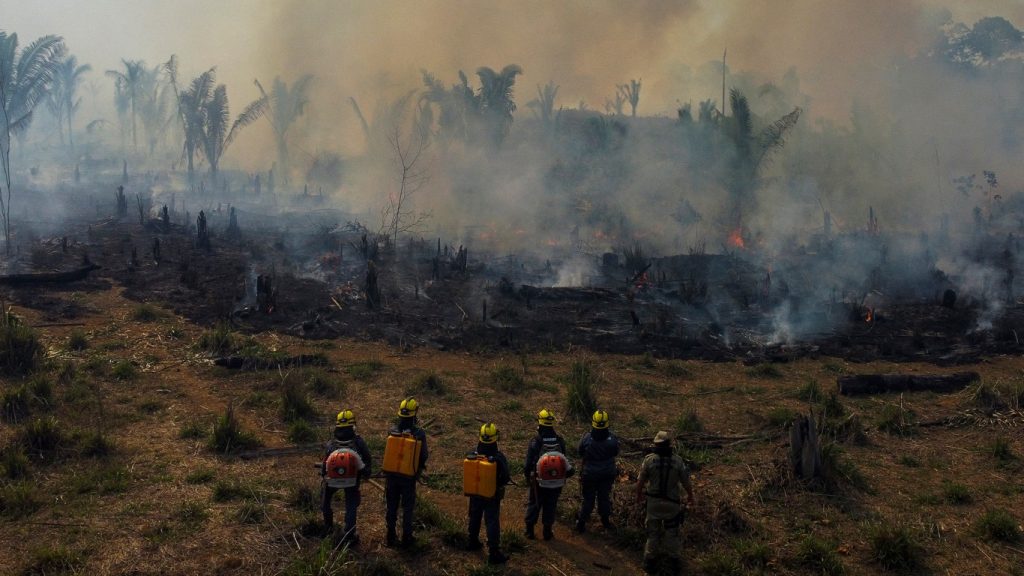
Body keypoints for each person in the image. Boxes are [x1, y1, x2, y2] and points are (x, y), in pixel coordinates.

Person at [636, 431, 696, 574]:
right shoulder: (678, 461)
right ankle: (674, 562)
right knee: (672, 534)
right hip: (672, 505)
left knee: (653, 534)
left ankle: (649, 562)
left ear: (656, 445)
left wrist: (639, 495)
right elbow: (686, 482)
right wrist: (691, 496)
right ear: (669, 445)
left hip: (654, 504)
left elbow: (640, 482)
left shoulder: (649, 460)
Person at [321, 409, 372, 544]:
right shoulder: (358, 442)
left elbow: (325, 464)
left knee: (325, 499)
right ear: (352, 425)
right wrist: (366, 473)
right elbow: (367, 458)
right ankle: (349, 533)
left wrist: (323, 475)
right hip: (351, 480)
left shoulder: (331, 444)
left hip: (332, 480)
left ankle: (328, 526)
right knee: (351, 505)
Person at [384, 397, 429, 548]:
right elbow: (424, 455)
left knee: (391, 506)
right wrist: (419, 468)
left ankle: (390, 535)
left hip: (391, 476)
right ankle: (407, 537)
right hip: (408, 478)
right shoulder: (419, 434)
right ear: (414, 414)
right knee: (408, 508)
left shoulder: (392, 430)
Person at [524, 408, 573, 541]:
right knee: (551, 505)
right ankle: (547, 532)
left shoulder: (536, 441)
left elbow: (528, 463)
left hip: (539, 480)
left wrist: (527, 476)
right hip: (556, 481)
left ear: (540, 422)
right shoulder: (560, 440)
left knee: (534, 503)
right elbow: (564, 460)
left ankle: (529, 531)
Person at [466, 423, 511, 565]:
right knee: (491, 521)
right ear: (495, 438)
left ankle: (472, 540)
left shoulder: (473, 454)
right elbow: (505, 477)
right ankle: (493, 552)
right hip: (491, 495)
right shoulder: (498, 457)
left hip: (475, 492)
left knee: (474, 516)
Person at [575, 409, 620, 533]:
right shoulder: (612, 439)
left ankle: (581, 523)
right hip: (607, 474)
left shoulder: (587, 438)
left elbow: (579, 451)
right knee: (604, 498)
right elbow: (616, 452)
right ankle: (605, 522)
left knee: (588, 499)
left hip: (589, 474)